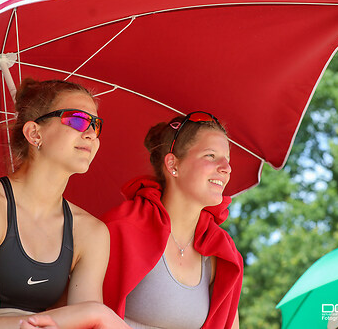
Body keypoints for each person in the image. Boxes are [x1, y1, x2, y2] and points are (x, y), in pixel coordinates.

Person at [0, 78, 130, 329]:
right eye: (76, 120)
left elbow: (86, 324)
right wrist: (96, 314)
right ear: (34, 133)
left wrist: (92, 315)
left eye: (96, 124)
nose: (91, 133)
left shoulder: (90, 232)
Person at [101, 111, 244, 329]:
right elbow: (81, 310)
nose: (226, 167)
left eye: (227, 159)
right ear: (172, 165)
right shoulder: (120, 228)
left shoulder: (223, 255)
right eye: (211, 156)